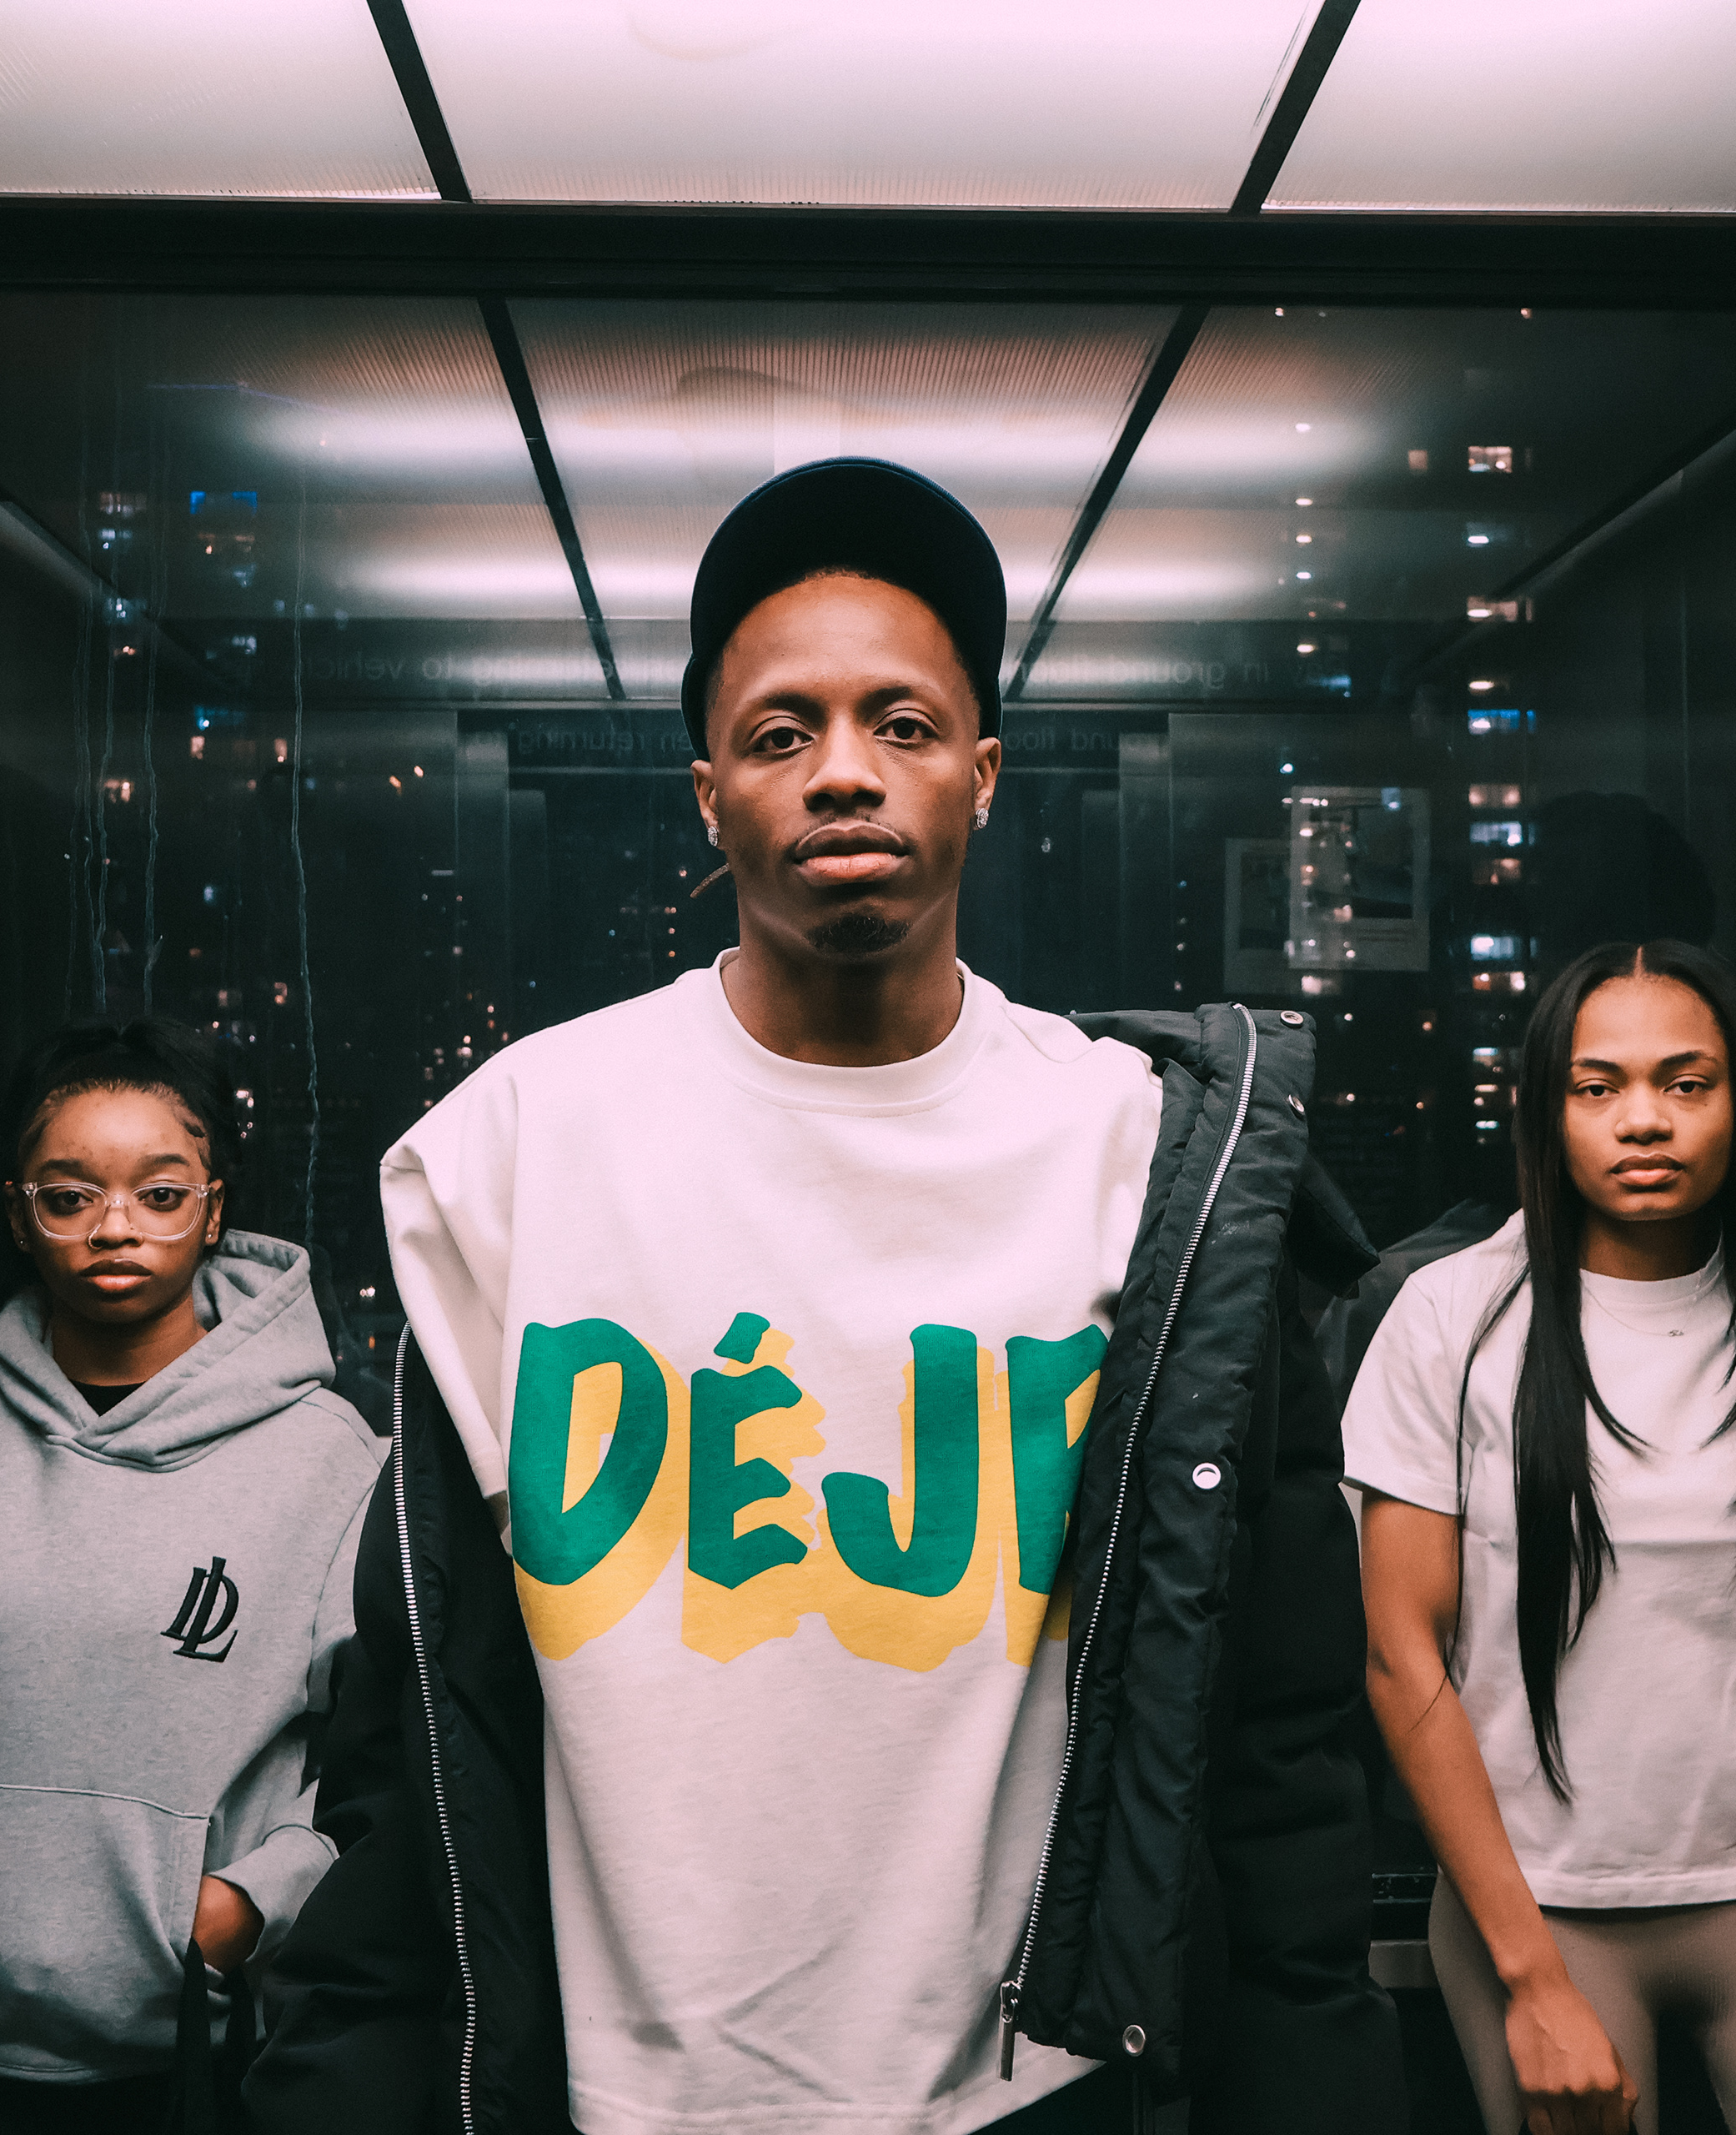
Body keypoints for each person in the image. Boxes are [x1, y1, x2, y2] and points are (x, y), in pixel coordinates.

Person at [247, 458, 1402, 2135]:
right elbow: (420, 1724)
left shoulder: (1142, 1159)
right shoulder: (520, 1148)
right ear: (708, 793)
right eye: (782, 732)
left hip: (1035, 2096)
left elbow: (1274, 1728)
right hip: (618, 2093)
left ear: (984, 774)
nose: (845, 770)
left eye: (904, 724)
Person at [1351, 939, 1736, 2135]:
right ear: (1547, 1109)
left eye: (1686, 1082)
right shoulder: (1448, 1321)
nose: (1644, 1120)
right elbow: (1403, 1659)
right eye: (1597, 1086)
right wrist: (1529, 1982)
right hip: (1537, 1907)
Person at [0, 1018, 384, 2133]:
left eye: (161, 1193)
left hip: (209, 2054)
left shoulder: (330, 1457)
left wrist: (248, 1906)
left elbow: (375, 1758)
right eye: (69, 1195)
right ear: (18, 1215)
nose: (115, 1227)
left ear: (216, 1210)